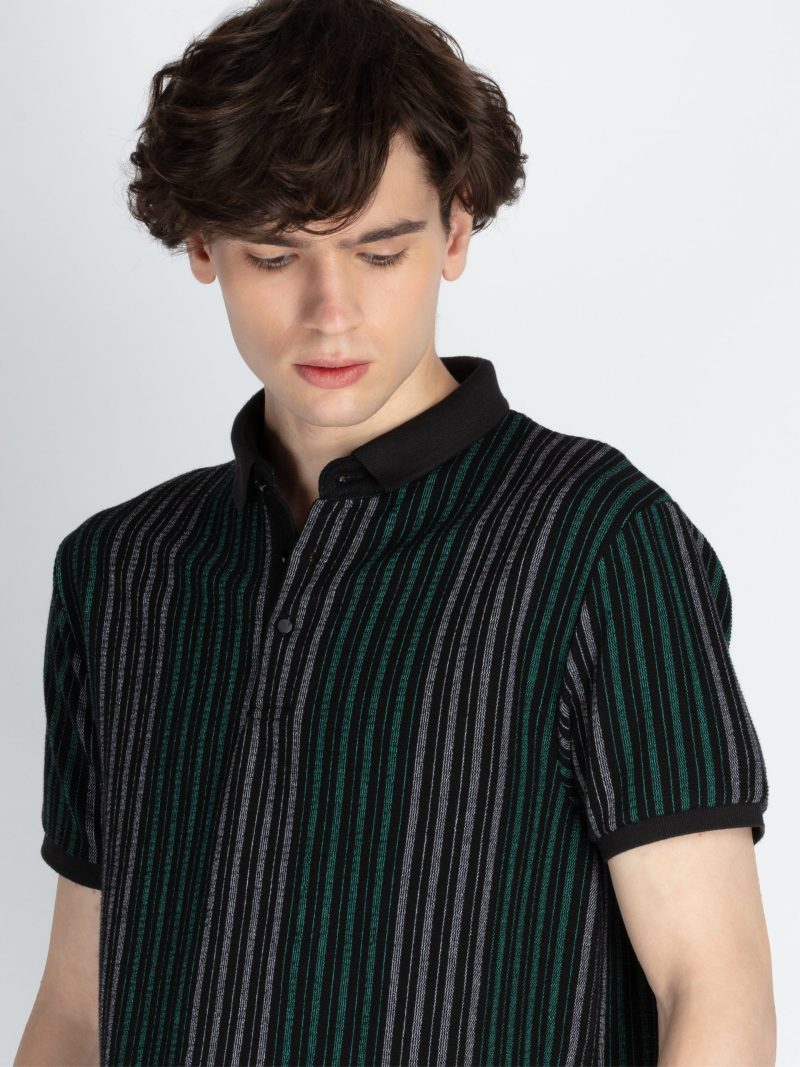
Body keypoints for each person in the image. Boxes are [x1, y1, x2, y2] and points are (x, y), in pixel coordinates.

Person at [16, 0, 775, 1064]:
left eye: (379, 252)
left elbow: (714, 989)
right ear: (201, 242)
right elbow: (78, 1009)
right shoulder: (121, 568)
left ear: (455, 231)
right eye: (274, 256)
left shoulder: (601, 540)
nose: (330, 312)